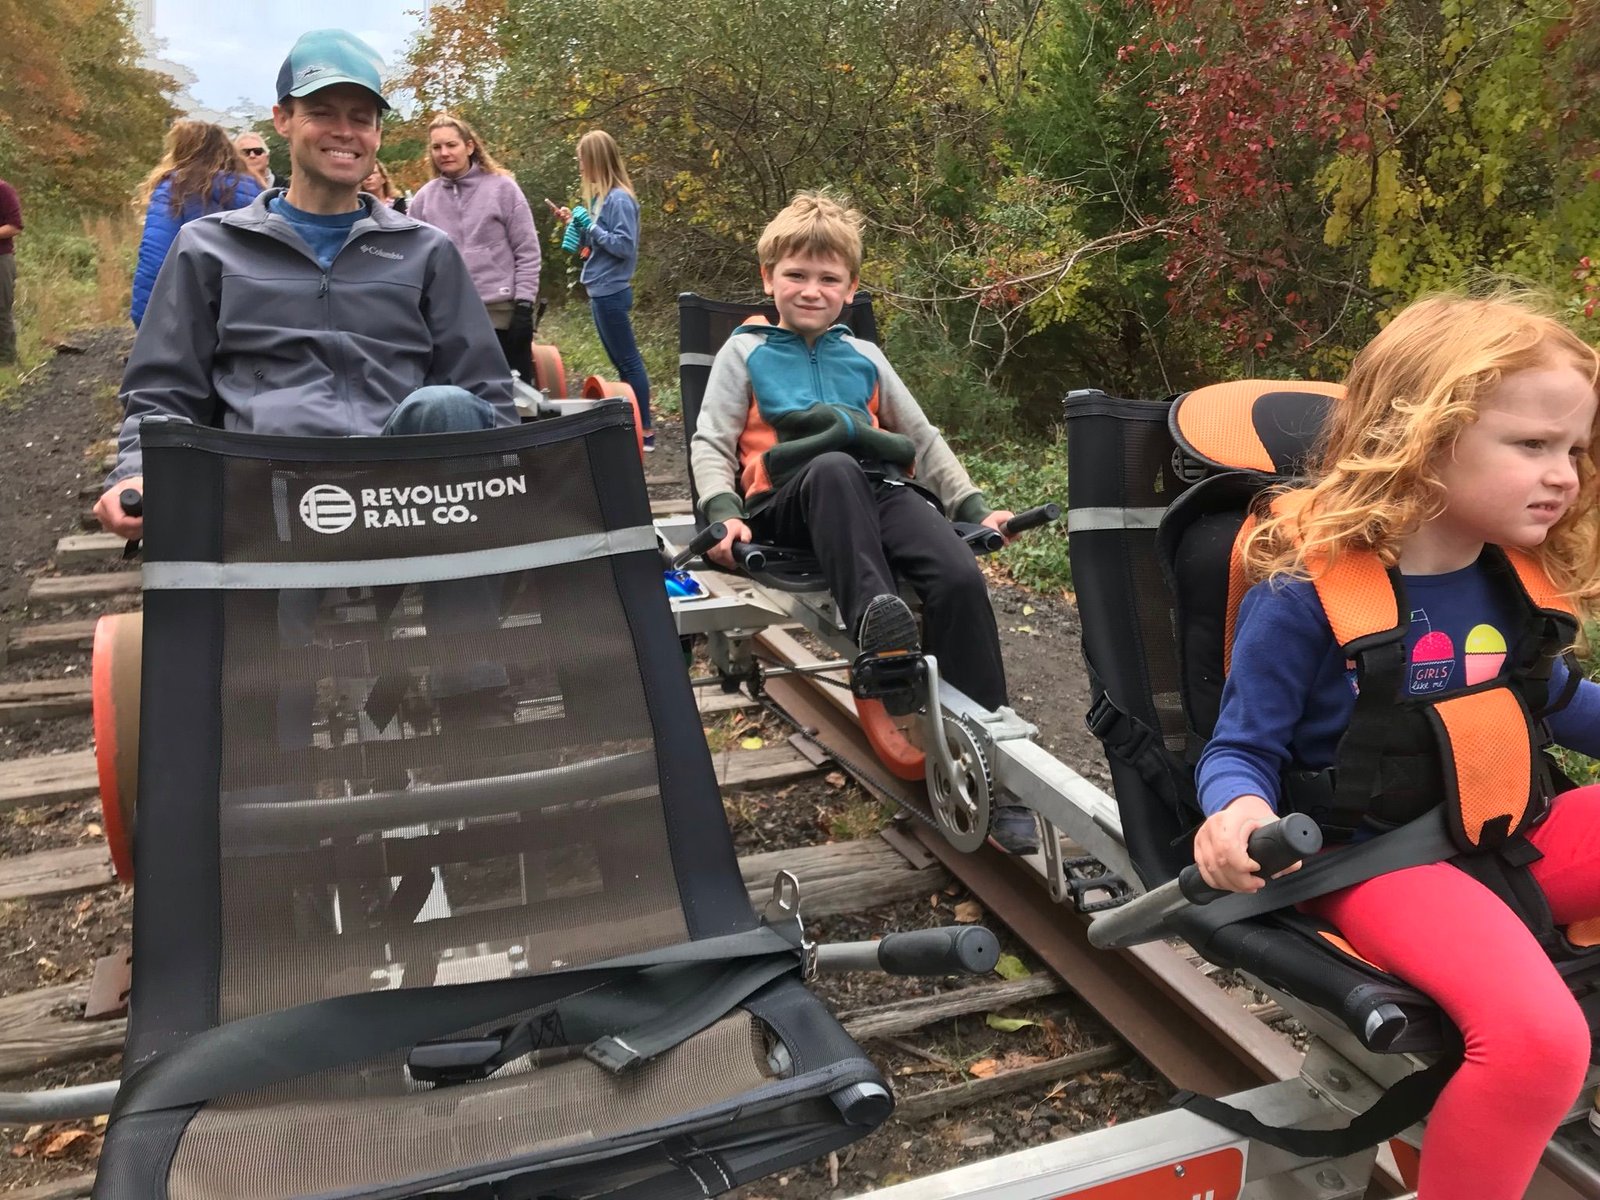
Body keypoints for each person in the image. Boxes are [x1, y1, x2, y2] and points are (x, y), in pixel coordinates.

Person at [1193, 291, 1600, 1200]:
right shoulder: (1305, 598)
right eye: (1532, 446)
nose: (1564, 474)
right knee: (1539, 1046)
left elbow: (1561, 702)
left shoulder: (1508, 581)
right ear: (1422, 438)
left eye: (1572, 449)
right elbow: (1239, 749)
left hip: (1499, 835)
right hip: (1372, 859)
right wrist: (1238, 814)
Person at [689, 190, 1037, 851]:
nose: (811, 290)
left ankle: (995, 771)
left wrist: (969, 509)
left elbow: (922, 437)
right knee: (834, 470)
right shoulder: (745, 351)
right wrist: (723, 514)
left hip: (880, 489)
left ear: (850, 289)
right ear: (769, 279)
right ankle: (882, 636)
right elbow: (712, 440)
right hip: (793, 499)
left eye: (828, 279)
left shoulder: (866, 356)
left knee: (958, 579)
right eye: (796, 275)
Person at [96, 27, 513, 537]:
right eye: (322, 113)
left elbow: (484, 388)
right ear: (283, 120)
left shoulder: (426, 251)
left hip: (406, 498)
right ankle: (289, 607)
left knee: (446, 407)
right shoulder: (207, 248)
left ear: (377, 135)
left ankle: (464, 609)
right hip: (268, 495)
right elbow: (163, 388)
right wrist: (138, 470)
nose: (345, 131)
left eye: (361, 118)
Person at [408, 114, 539, 387]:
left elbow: (527, 251)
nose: (444, 153)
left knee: (516, 402)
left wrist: (524, 305)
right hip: (448, 323)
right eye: (436, 147)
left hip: (501, 317)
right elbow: (412, 261)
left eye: (451, 145)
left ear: (469, 147)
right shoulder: (423, 200)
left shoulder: (503, 189)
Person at [552, 130, 652, 449]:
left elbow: (623, 246)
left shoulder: (619, 199)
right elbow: (595, 245)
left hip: (612, 291)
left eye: (582, 158)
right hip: (599, 289)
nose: (579, 165)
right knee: (621, 363)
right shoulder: (601, 199)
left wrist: (591, 226)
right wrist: (576, 223)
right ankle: (636, 428)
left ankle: (645, 432)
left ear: (595, 159)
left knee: (629, 363)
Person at [131, 120, 261, 327]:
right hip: (249, 313)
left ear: (182, 150)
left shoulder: (174, 189)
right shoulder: (255, 190)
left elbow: (156, 257)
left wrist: (146, 320)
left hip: (191, 312)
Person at [0, 177, 20, 364]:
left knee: (1, 309)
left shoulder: (3, 189)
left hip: (1, 258)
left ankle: (6, 361)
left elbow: (15, 226)